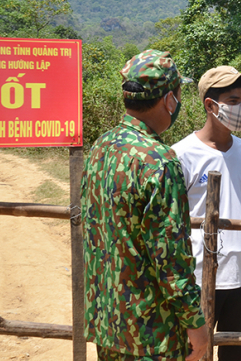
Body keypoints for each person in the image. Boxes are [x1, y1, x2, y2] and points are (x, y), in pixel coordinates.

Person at [82, 49, 208, 361]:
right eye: (178, 95)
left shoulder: (101, 147)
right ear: (169, 100)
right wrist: (196, 325)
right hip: (152, 334)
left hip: (108, 324)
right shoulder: (159, 161)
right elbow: (171, 259)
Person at [172, 65, 241, 361]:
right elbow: (173, 224)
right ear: (210, 105)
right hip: (200, 276)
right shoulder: (181, 154)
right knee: (195, 354)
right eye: (234, 100)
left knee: (235, 356)